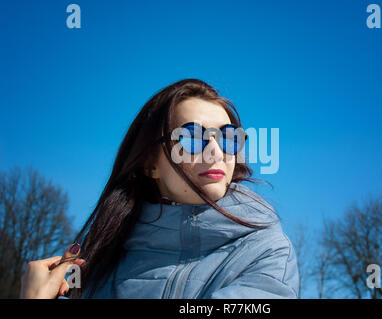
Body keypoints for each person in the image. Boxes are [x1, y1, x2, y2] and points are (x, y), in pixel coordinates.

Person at [20, 79, 299, 299]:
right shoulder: (98, 269)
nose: (215, 151)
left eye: (227, 138)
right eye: (192, 138)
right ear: (149, 162)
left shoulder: (267, 253)